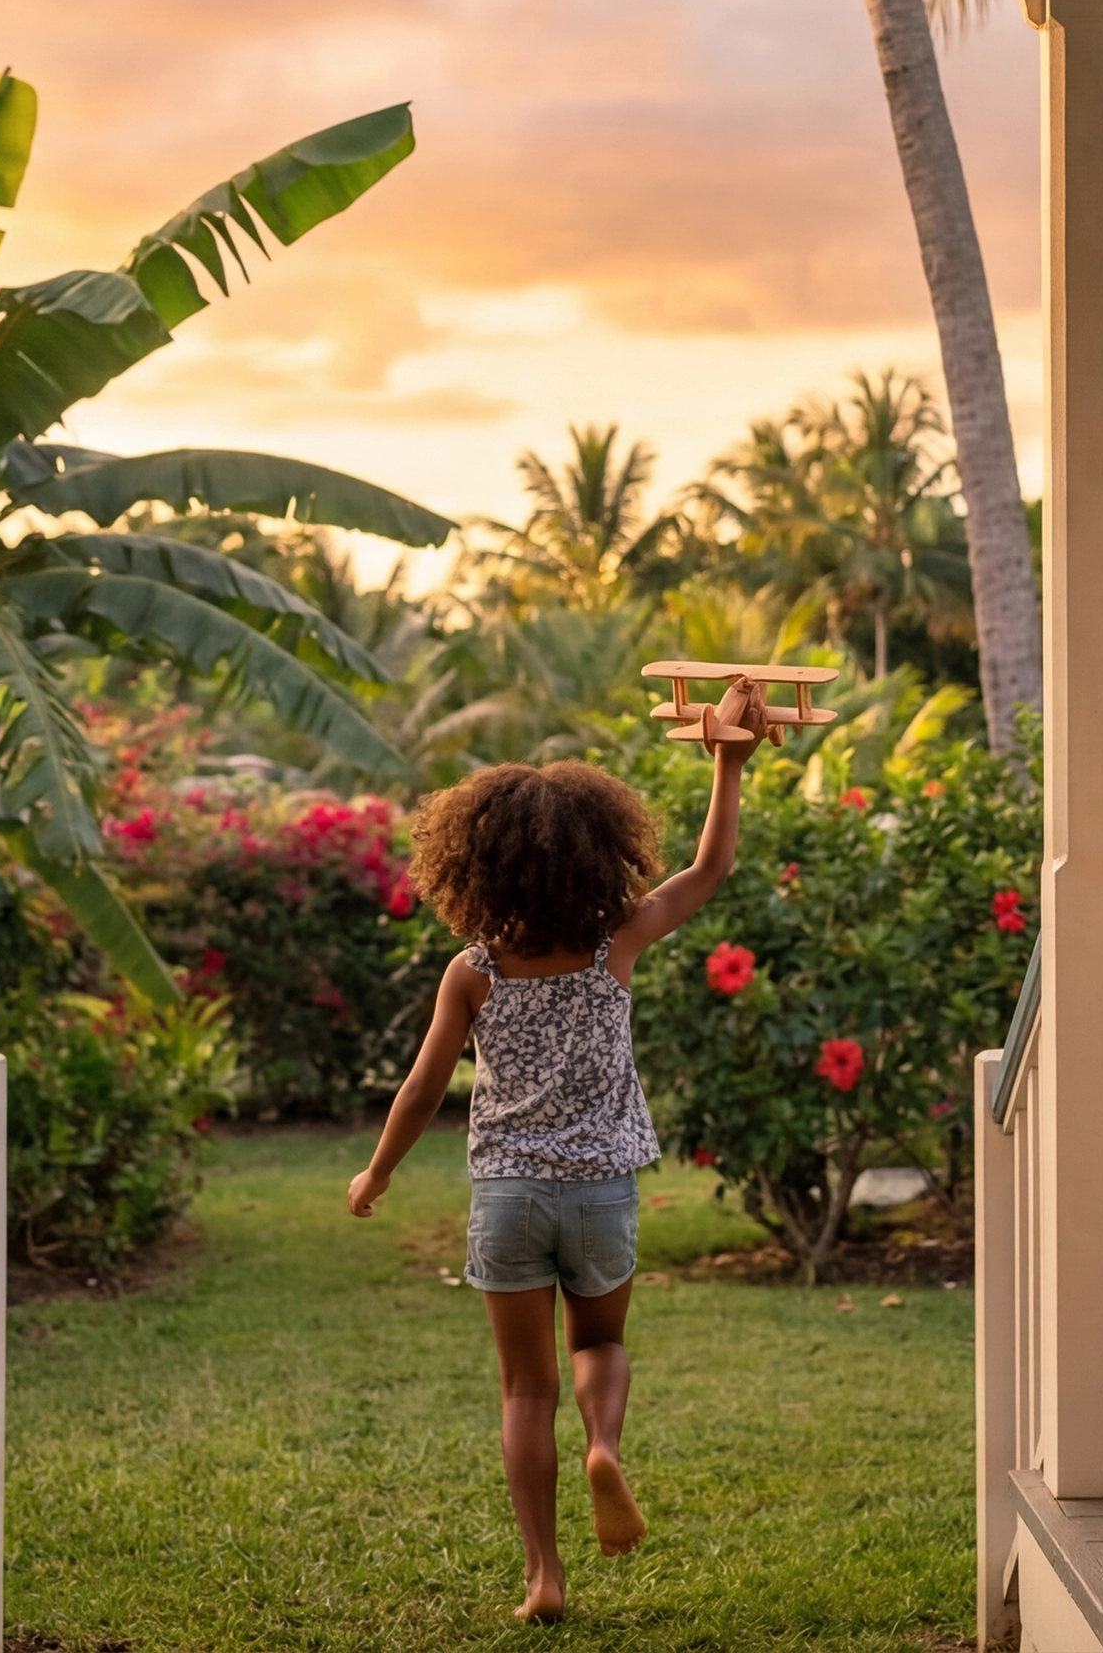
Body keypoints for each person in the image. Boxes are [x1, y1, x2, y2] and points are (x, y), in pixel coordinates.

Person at [347, 678, 769, 1624]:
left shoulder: (474, 970)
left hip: (506, 1199)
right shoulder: (612, 943)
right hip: (600, 1193)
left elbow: (421, 1089)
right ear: (595, 856)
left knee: (522, 1390)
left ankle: (543, 1576)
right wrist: (726, 765)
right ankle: (605, 1448)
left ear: (477, 867)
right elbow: (708, 871)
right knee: (603, 1341)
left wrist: (376, 1171)